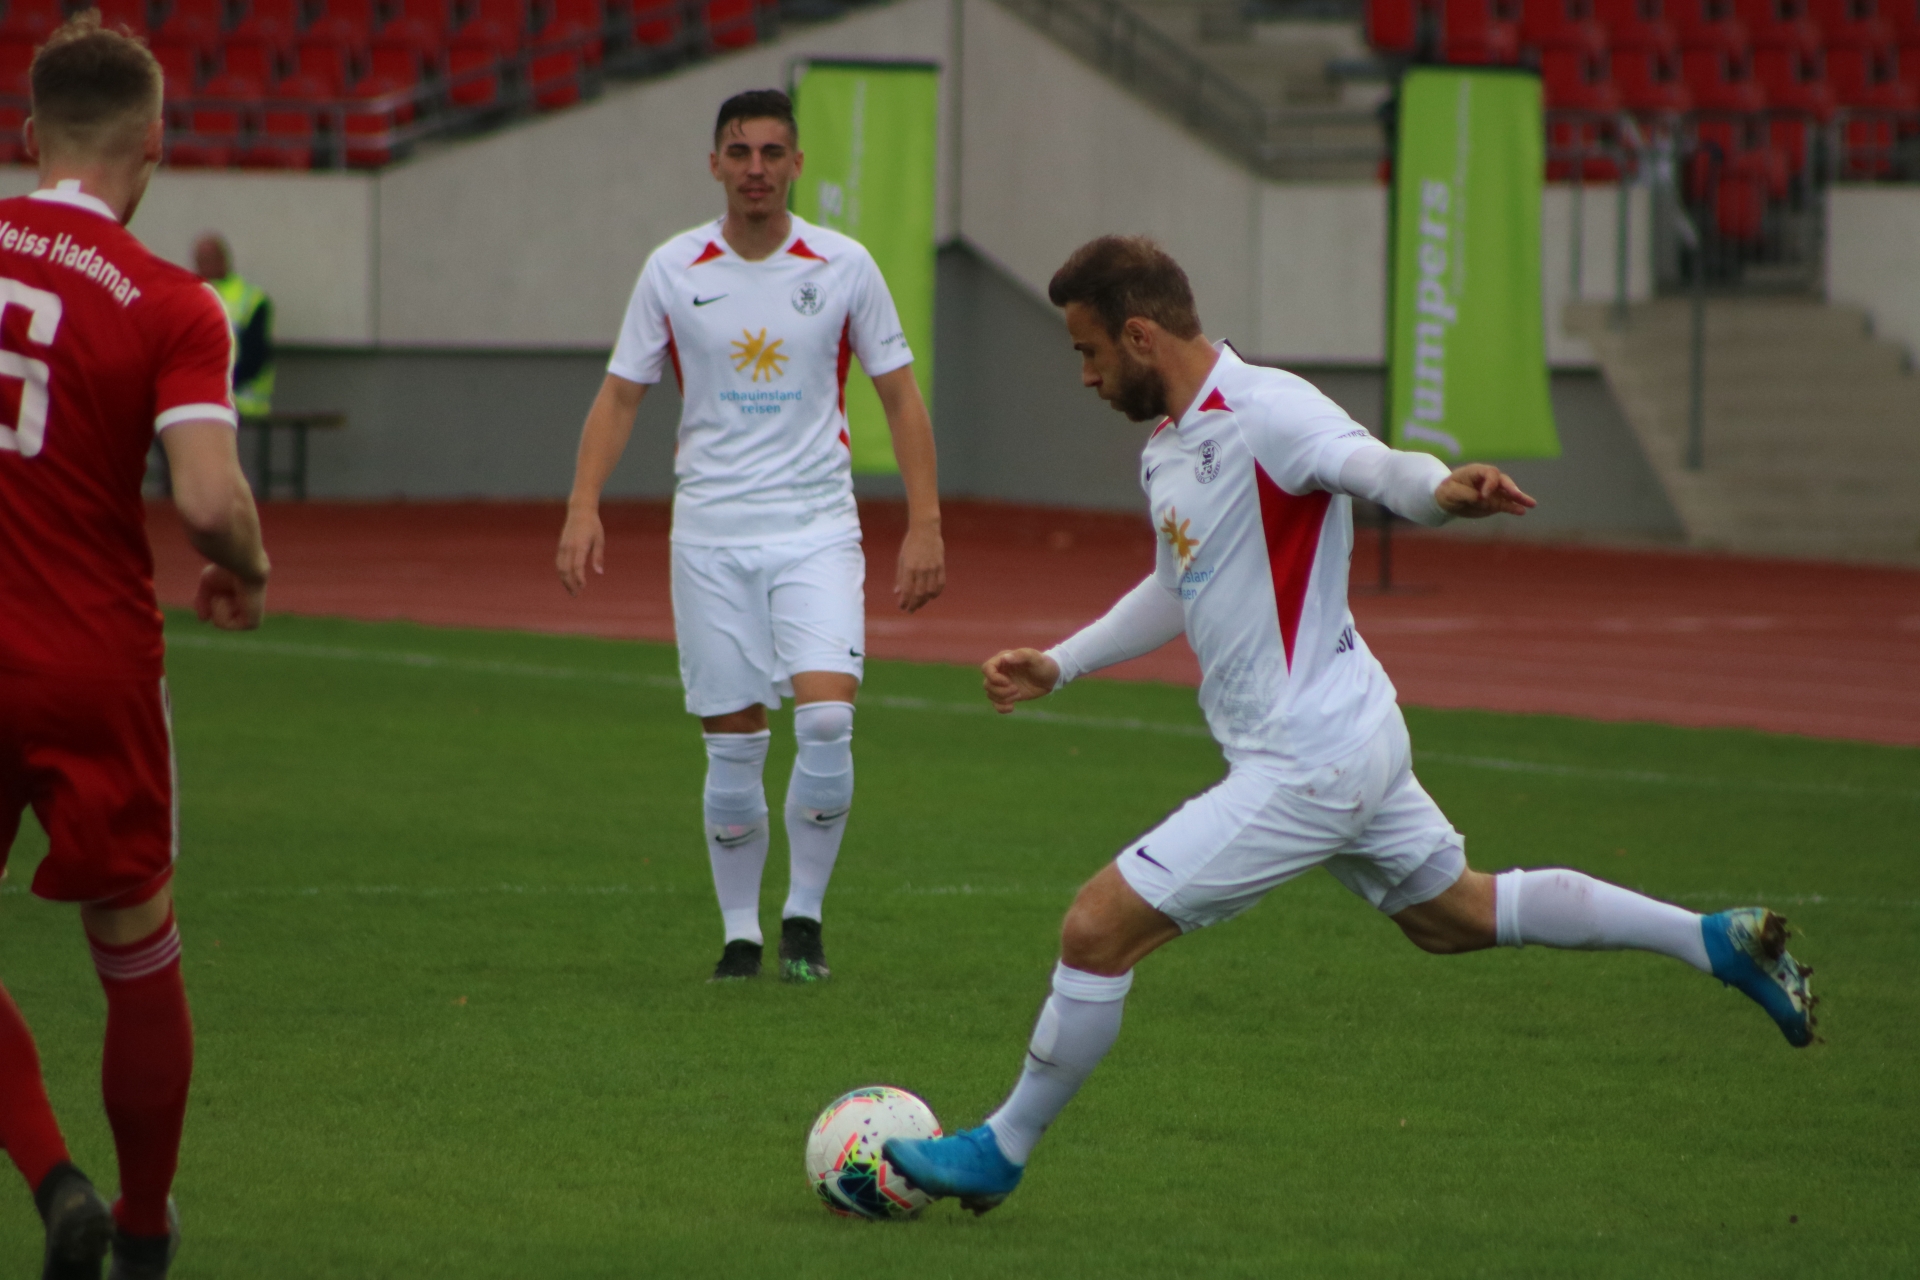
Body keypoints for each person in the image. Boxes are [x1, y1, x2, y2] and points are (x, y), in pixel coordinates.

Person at [883, 236, 1817, 1213]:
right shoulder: (1168, 450)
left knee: (1094, 928)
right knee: (1457, 917)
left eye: (1089, 351)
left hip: (1308, 763)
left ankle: (1001, 1148)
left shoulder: (1268, 410)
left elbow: (1371, 465)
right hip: (1355, 731)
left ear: (1141, 334)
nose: (1084, 375)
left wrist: (1440, 492)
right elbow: (1176, 584)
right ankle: (1710, 940)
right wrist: (1062, 662)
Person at [556, 89, 945, 984]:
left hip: (816, 527)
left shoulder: (845, 266)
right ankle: (740, 935)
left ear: (798, 164)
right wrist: (583, 503)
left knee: (828, 718)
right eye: (740, 152)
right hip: (710, 536)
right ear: (715, 165)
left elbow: (899, 396)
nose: (757, 168)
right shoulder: (672, 269)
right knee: (733, 743)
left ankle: (803, 918)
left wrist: (925, 523)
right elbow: (621, 394)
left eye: (773, 152)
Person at [0, 15, 271, 1278]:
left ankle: (54, 1177)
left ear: (28, 135)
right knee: (134, 946)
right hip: (89, 660)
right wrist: (246, 567)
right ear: (156, 141)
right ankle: (148, 1228)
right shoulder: (170, 302)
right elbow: (208, 501)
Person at [192, 232, 273, 420]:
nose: (206, 265)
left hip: (245, 409)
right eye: (202, 260)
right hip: (200, 406)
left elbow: (255, 357)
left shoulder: (251, 299)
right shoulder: (189, 296)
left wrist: (213, 383)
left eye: (211, 259)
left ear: (224, 259)